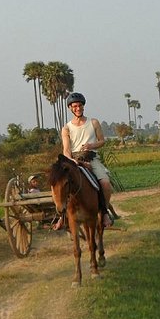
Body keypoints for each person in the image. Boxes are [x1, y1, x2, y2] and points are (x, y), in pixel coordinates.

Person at [57, 92, 117, 228]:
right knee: (60, 183)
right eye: (75, 106)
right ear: (70, 108)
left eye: (80, 106)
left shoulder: (93, 122)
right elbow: (66, 149)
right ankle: (61, 215)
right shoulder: (66, 128)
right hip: (74, 160)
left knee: (106, 184)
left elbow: (102, 141)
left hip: (91, 158)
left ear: (83, 106)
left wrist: (91, 145)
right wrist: (72, 161)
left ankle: (104, 212)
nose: (78, 108)